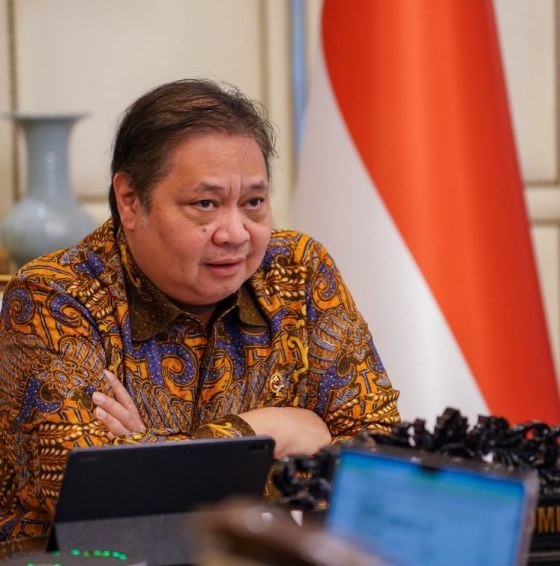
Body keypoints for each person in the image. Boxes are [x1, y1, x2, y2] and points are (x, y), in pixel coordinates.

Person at [0, 79, 400, 541]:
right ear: (130, 200)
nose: (236, 233)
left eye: (253, 203)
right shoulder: (55, 296)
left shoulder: (299, 272)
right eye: (205, 204)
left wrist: (151, 450)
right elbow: (94, 498)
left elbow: (380, 467)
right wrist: (266, 430)